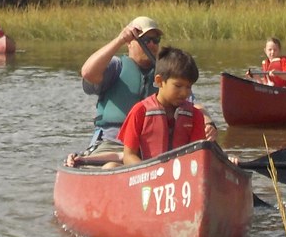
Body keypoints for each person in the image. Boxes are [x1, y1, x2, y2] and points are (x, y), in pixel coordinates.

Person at [68, 16, 217, 166]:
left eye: (156, 40)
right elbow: (87, 72)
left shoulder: (168, 73)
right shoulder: (116, 66)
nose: (151, 44)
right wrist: (119, 39)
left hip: (153, 145)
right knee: (110, 167)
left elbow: (194, 105)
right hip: (112, 144)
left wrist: (209, 123)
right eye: (145, 40)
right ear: (130, 43)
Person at [119, 46, 207, 165]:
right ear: (159, 81)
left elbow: (198, 156)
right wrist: (149, 173)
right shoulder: (140, 111)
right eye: (178, 86)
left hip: (183, 176)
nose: (184, 92)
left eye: (188, 87)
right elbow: (129, 156)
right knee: (110, 166)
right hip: (146, 177)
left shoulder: (195, 116)